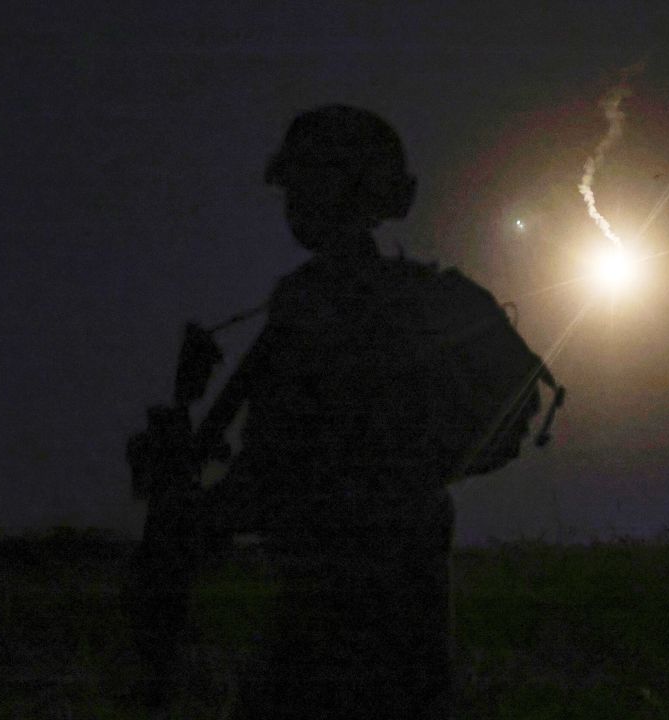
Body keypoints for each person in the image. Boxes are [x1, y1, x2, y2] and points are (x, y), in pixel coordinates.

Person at [191, 104, 456, 720]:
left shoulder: (319, 305)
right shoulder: (397, 298)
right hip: (402, 612)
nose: (292, 200)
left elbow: (290, 459)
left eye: (306, 183)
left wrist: (207, 515)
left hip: (338, 617)